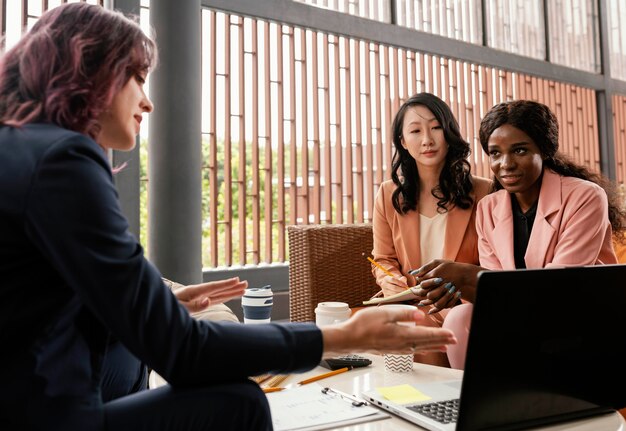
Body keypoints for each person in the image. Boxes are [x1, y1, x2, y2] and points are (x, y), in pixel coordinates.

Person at [0, 4, 458, 430]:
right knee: (240, 401)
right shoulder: (65, 160)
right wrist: (337, 337)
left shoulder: (23, 151)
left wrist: (159, 307)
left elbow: (32, 304)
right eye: (137, 77)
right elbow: (183, 351)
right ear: (88, 72)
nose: (148, 102)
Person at [413, 99, 625, 368]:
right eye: (495, 153)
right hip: (520, 317)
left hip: (576, 318)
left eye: (520, 151)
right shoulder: (489, 208)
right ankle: (469, 403)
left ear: (544, 151)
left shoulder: (585, 197)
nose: (506, 164)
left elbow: (560, 290)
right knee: (460, 317)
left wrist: (468, 275)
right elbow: (499, 295)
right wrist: (460, 288)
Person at [371, 93, 491, 367]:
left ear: (449, 132)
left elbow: (493, 259)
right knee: (412, 324)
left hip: (462, 304)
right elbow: (383, 260)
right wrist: (396, 290)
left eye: (436, 127)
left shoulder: (484, 191)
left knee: (437, 327)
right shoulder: (389, 194)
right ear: (403, 142)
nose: (427, 139)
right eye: (415, 130)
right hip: (411, 303)